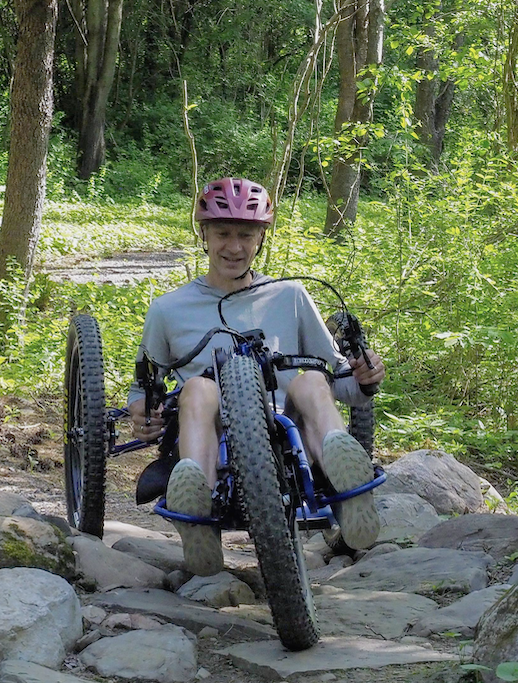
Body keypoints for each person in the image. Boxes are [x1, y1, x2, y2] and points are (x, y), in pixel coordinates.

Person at [125, 177, 385, 575]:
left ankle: (348, 489)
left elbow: (341, 381)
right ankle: (196, 501)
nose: (234, 247)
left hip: (288, 422)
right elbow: (145, 388)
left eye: (246, 235)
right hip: (211, 425)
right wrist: (142, 412)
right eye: (223, 233)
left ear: (261, 237)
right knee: (196, 387)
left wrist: (366, 379)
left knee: (312, 378)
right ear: (204, 235)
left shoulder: (290, 295)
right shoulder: (168, 309)